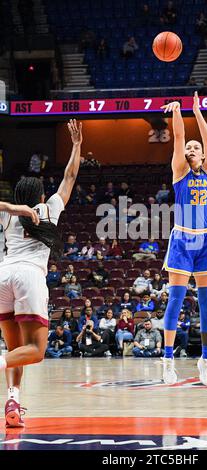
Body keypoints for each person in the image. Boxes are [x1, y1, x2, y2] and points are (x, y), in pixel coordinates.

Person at [0, 119, 82, 427]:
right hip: (29, 276)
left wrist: (11, 208)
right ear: (39, 195)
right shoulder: (49, 209)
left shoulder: (9, 216)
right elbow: (70, 175)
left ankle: (13, 402)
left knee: (15, 350)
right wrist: (76, 145)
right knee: (34, 351)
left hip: (3, 274)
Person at [160, 92, 207, 386]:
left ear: (204, 155)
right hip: (182, 240)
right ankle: (168, 359)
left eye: (197, 147)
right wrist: (179, 111)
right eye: (189, 147)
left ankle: (206, 360)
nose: (192, 148)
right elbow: (179, 137)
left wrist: (198, 112)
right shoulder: (179, 171)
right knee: (176, 299)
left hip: (206, 240)